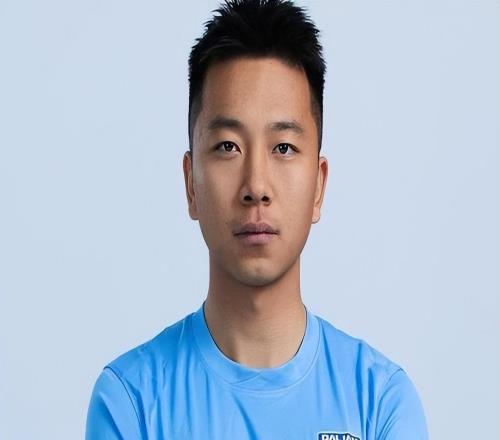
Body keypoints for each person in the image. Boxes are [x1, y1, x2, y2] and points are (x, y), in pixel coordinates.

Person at [85, 1, 429, 438]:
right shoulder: (130, 401)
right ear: (191, 184)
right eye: (228, 146)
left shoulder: (380, 402)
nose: (256, 186)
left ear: (318, 185)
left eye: (283, 147)